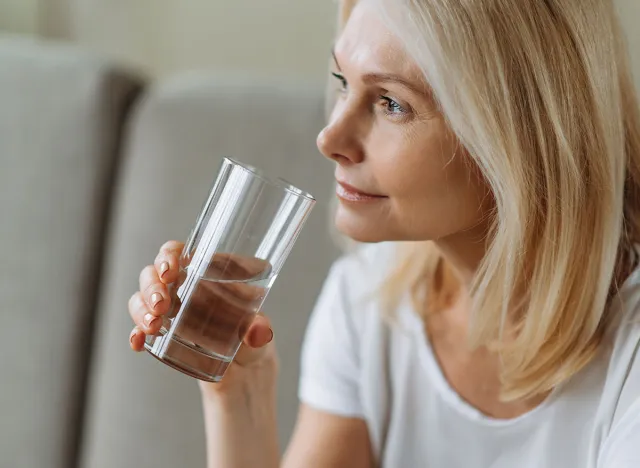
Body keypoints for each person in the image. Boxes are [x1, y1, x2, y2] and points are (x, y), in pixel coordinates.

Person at [127, 0, 640, 466]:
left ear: (518, 135)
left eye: (392, 103)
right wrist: (238, 390)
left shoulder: (628, 355)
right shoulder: (369, 303)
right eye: (342, 81)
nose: (329, 138)